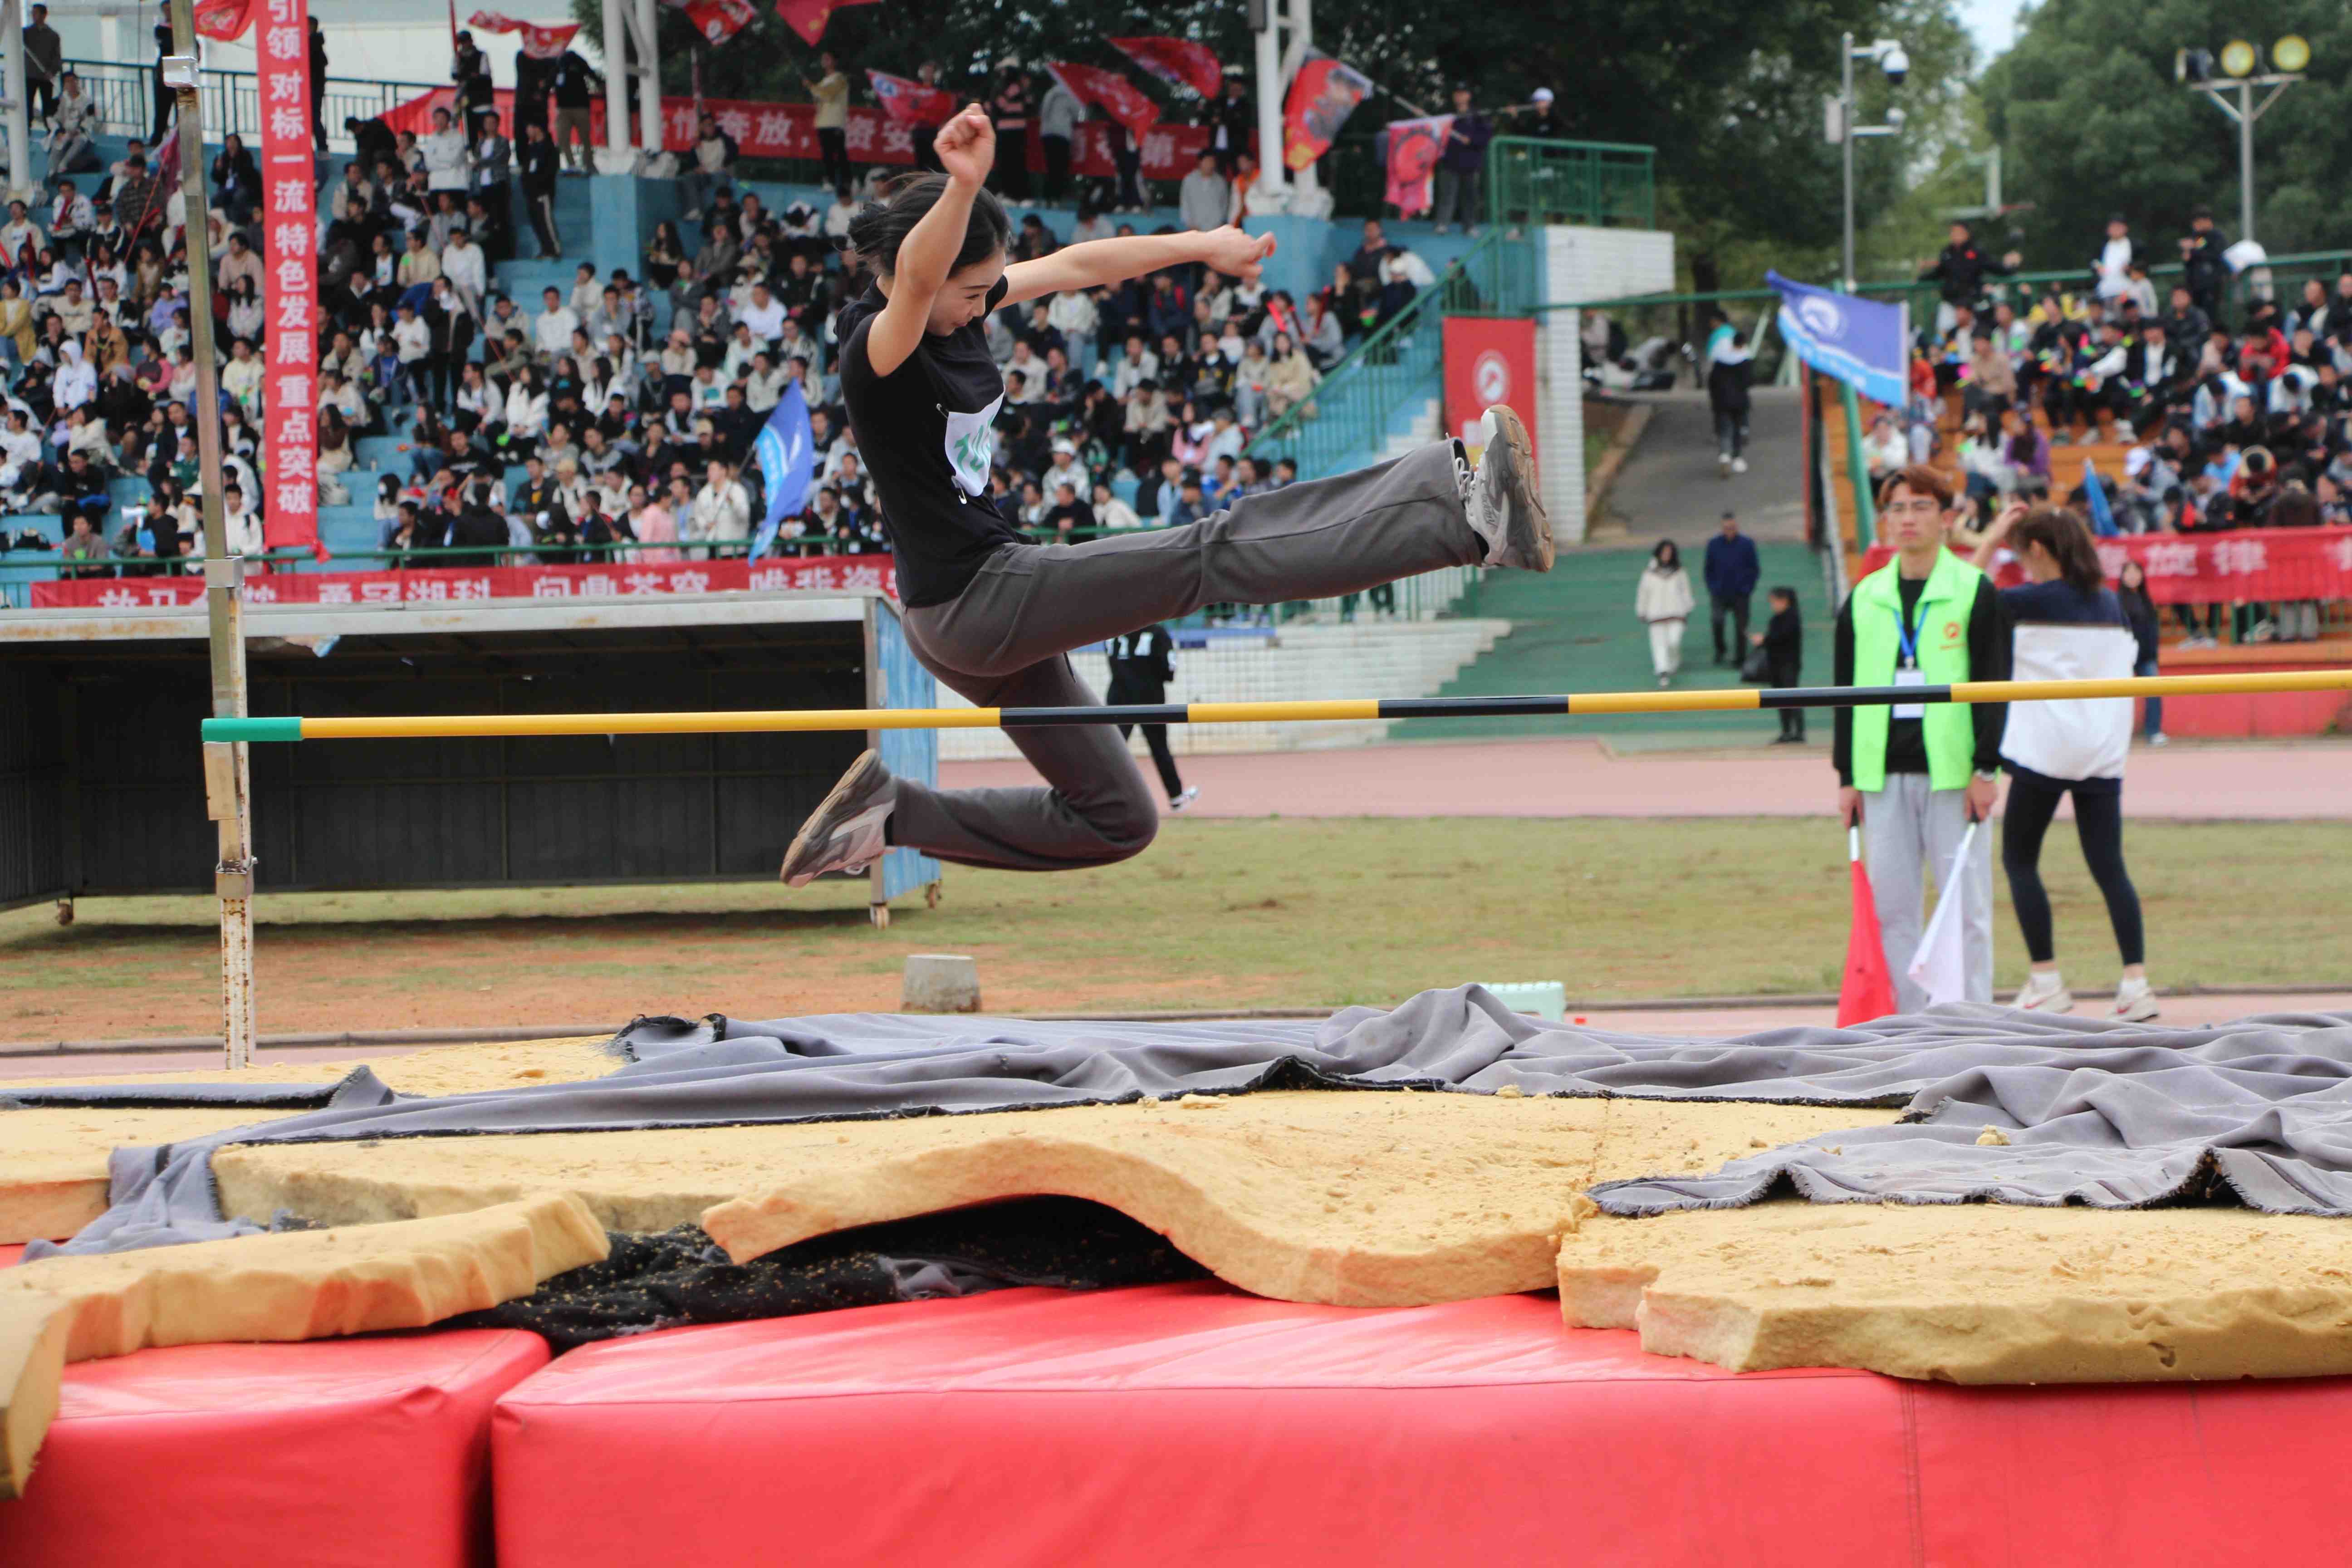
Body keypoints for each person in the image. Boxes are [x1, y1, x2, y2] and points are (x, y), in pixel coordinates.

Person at [779, 108, 1549, 886]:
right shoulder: (877, 351)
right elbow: (919, 281)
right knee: (1209, 553)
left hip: (968, 611)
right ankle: (1460, 513)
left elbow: (1076, 265)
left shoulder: (955, 308)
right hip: (974, 599)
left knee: (1118, 817)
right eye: (973, 292)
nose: (983, 308)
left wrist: (1200, 246)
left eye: (989, 290)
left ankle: (889, 816)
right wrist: (963, 184)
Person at [1833, 464, 2008, 1014]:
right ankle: (1907, 1027)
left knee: (1967, 907)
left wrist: (1986, 769)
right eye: (1898, 508)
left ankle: (1973, 1022)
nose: (1908, 519)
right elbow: (1841, 692)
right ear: (1886, 520)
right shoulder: (1864, 597)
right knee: (1893, 911)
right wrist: (1846, 777)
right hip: (1880, 776)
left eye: (1921, 506)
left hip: (1954, 776)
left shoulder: (1975, 592)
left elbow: (1994, 685)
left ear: (1947, 518)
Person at [1970, 502, 2154, 1020]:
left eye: (2019, 554)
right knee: (2109, 867)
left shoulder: (2024, 600)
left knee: (2020, 859)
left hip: (2046, 750)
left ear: (2037, 549)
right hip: (2102, 751)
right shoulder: (2110, 602)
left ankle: (2046, 978)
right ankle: (2136, 983)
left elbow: (1961, 592)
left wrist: (1992, 537)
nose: (2020, 565)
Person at [1105, 621, 1196, 810]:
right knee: (1160, 749)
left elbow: (1112, 659)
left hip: (1119, 697)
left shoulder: (1113, 629)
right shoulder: (1157, 632)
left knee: (1111, 751)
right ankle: (1176, 797)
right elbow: (1169, 671)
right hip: (1150, 698)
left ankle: (1102, 799)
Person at [1432, 85, 1491, 235]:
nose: (1460, 96)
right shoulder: (1447, 115)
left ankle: (1470, 227)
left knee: (1471, 197)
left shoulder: (1478, 116)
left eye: (1463, 93)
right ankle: (1442, 224)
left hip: (1471, 163)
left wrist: (1471, 141)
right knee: (1447, 196)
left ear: (1468, 96)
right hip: (1450, 162)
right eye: (1457, 93)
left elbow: (1486, 137)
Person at [1703, 509, 1759, 666]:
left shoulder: (1747, 544)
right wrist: (1713, 587)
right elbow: (1708, 569)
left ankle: (1740, 658)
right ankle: (1720, 650)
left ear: (1737, 527)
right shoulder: (1714, 545)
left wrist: (1748, 588)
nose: (1730, 531)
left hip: (1741, 594)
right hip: (1719, 594)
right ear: (1722, 528)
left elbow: (1754, 568)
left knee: (1742, 626)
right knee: (1717, 621)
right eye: (1727, 528)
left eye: (1733, 528)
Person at [1635, 539, 1694, 687]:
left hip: (1677, 613)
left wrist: (1688, 606)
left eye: (1669, 552)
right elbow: (1643, 593)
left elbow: (1685, 590)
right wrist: (1641, 610)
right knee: (1659, 644)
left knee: (1674, 641)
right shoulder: (1649, 573)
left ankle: (1673, 662)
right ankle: (1663, 672)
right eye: (1664, 552)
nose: (1666, 555)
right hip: (1656, 614)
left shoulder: (1679, 571)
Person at [1752, 585, 1805, 743]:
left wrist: (1764, 640)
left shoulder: (1792, 618)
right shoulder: (1776, 619)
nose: (1773, 605)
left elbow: (1782, 638)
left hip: (1789, 665)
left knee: (1793, 698)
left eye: (1775, 601)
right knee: (1780, 699)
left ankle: (1799, 732)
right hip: (1776, 664)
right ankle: (1786, 731)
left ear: (1785, 601)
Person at [807, 51, 853, 198]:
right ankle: (830, 182)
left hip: (835, 122)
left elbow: (828, 94)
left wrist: (811, 87)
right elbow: (819, 98)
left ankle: (847, 182)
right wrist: (814, 91)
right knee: (827, 155)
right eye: (823, 59)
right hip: (823, 122)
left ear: (834, 61)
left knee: (839, 154)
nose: (824, 61)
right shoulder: (823, 81)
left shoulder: (840, 78)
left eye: (828, 58)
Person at [1708, 330, 1753, 475]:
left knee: (1724, 429)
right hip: (1739, 401)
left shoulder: (1720, 360)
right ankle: (1737, 458)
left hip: (1721, 401)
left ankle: (1724, 456)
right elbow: (1749, 381)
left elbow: (1712, 382)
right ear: (1743, 343)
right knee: (1737, 429)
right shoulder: (1744, 360)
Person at [550, 47, 599, 174]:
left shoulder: (576, 60)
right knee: (564, 138)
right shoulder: (557, 63)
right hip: (566, 108)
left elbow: (590, 73)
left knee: (584, 138)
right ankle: (574, 165)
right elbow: (550, 80)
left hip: (578, 107)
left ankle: (587, 164)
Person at [1038, 66, 1082, 204]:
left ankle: (1047, 197)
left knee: (1050, 165)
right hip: (1062, 133)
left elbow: (1043, 112)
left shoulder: (1050, 93)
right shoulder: (1071, 94)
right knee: (1061, 166)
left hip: (1047, 133)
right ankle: (1057, 197)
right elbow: (1076, 114)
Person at [23, 4, 61, 126]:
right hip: (30, 75)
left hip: (46, 76)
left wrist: (52, 71)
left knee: (47, 104)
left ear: (44, 15)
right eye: (33, 13)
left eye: (36, 13)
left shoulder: (53, 36)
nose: (33, 16)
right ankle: (26, 127)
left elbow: (57, 57)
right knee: (28, 102)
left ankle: (49, 128)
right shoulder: (26, 33)